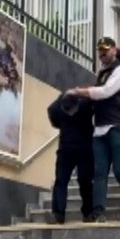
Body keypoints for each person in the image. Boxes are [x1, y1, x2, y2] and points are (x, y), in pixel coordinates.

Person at [66, 37, 120, 223]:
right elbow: (97, 97)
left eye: (106, 49)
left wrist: (78, 91)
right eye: (99, 50)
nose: (102, 53)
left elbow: (106, 91)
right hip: (100, 129)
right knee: (99, 172)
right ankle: (99, 212)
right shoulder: (102, 72)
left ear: (114, 49)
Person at [46, 92, 94, 224]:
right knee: (61, 180)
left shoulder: (85, 102)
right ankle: (58, 214)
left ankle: (88, 212)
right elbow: (50, 112)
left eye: (73, 111)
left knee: (85, 180)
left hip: (85, 148)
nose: (71, 114)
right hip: (65, 149)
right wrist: (60, 124)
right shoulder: (58, 106)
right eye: (68, 112)